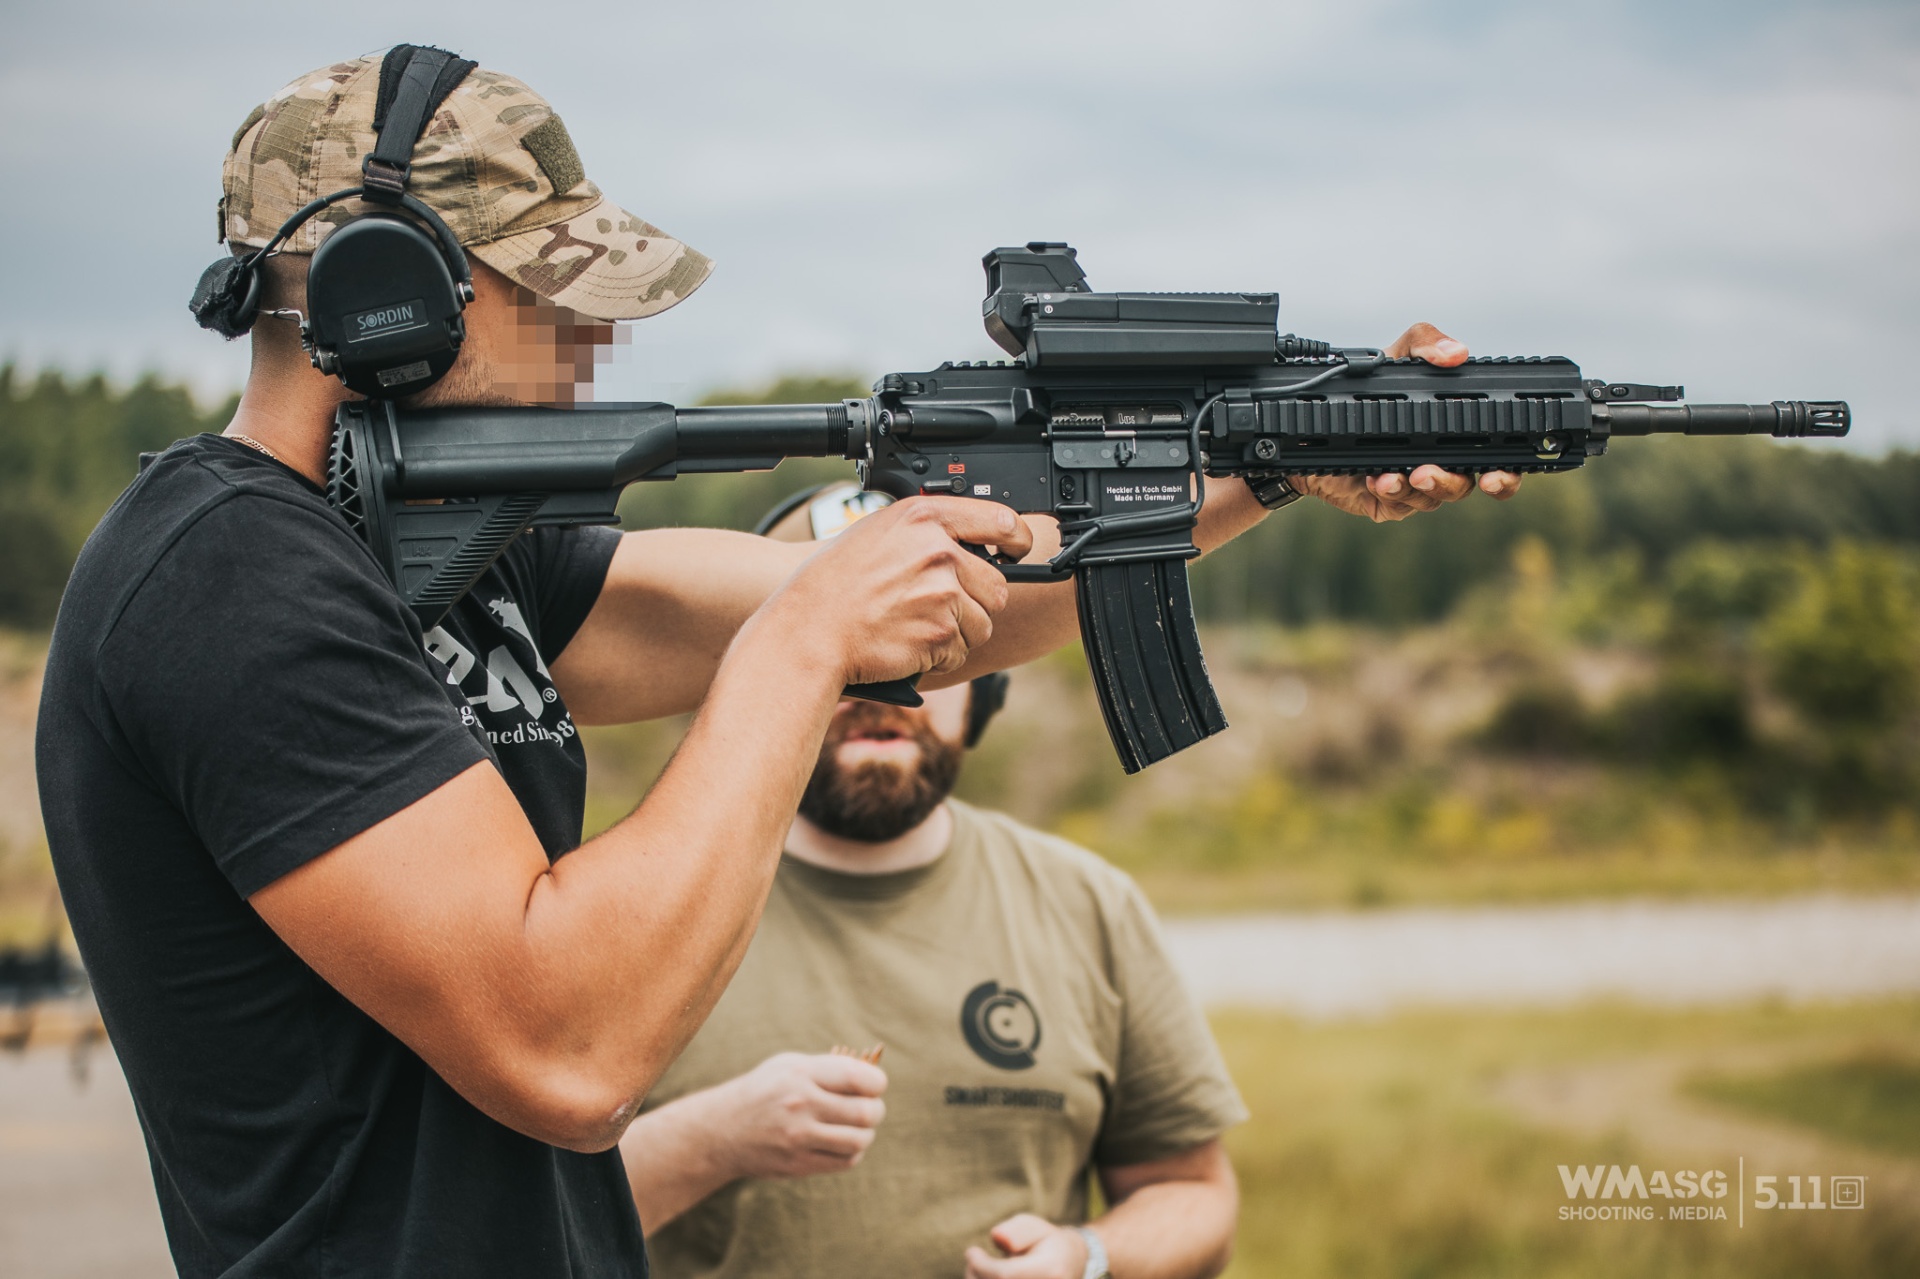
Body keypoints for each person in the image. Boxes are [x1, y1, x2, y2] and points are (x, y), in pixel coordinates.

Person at [33, 47, 1516, 1279]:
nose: (586, 345)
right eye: (547, 296)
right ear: (384, 295)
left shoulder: (436, 548)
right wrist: (805, 645)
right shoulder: (228, 575)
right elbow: (568, 1042)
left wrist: (1266, 462)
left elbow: (962, 614)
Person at [620, 484, 1246, 1279]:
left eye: (927, 649)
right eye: (846, 653)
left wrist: (1090, 1256)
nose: (885, 690)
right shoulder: (638, 905)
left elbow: (1194, 1193)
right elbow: (509, 1220)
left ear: (986, 683)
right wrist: (710, 1138)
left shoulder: (1088, 905)